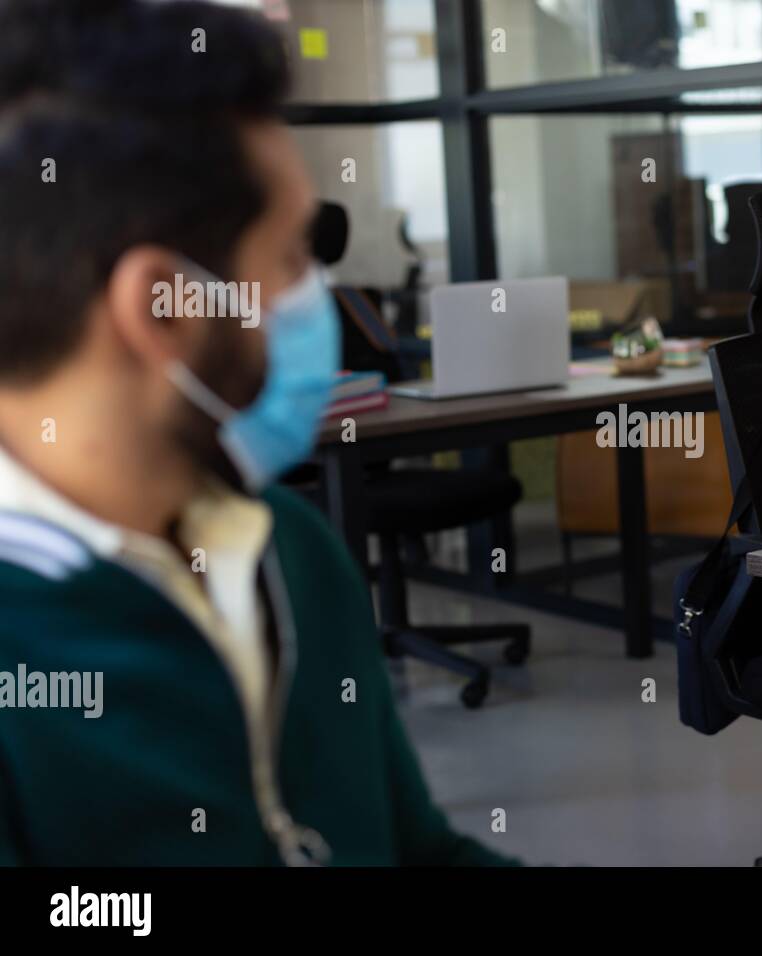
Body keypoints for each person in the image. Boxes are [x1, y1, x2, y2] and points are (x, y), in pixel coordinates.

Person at [0, 0, 515, 865]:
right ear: (165, 308)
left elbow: (418, 854)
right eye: (287, 261)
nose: (313, 296)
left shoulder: (288, 548)